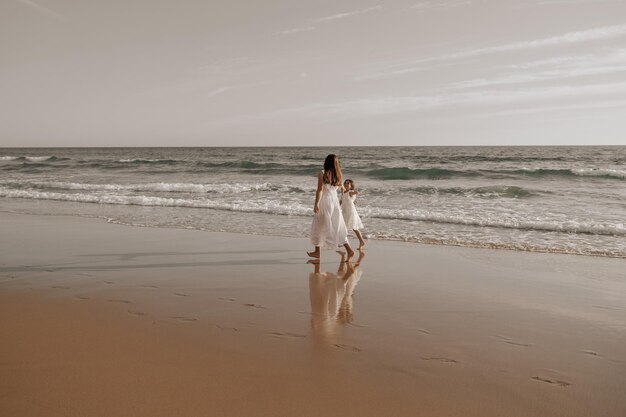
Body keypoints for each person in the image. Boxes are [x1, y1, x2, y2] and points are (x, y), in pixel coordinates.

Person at [307, 154, 355, 262]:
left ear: (326, 162)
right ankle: (349, 250)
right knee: (337, 227)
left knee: (319, 225)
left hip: (326, 202)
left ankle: (317, 252)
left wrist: (316, 204)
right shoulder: (339, 175)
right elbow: (343, 189)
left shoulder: (322, 173)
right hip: (335, 203)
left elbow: (320, 190)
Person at [340, 179, 366, 249]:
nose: (345, 184)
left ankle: (361, 241)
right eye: (345, 183)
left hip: (351, 212)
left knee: (354, 228)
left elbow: (356, 192)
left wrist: (353, 192)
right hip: (345, 212)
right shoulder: (344, 192)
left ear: (351, 186)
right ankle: (345, 242)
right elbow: (341, 201)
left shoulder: (350, 192)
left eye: (348, 184)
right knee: (344, 227)